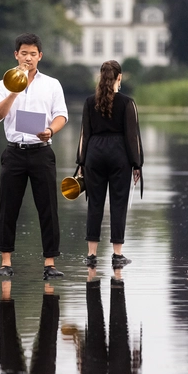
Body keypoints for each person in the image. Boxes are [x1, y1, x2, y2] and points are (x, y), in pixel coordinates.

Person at [0, 33, 69, 280]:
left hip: (41, 151)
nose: (28, 58)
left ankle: (50, 262)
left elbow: (61, 115)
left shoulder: (52, 84)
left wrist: (50, 131)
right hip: (14, 152)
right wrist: (14, 89)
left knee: (48, 208)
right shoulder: (3, 84)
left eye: (33, 54)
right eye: (24, 53)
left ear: (40, 56)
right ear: (16, 55)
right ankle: (5, 262)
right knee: (8, 208)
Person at [76, 60, 143, 269]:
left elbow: (84, 135)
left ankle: (91, 254)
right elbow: (132, 137)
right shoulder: (127, 102)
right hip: (118, 154)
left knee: (94, 203)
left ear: (100, 76)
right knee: (118, 203)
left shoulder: (89, 102)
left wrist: (80, 163)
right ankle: (117, 254)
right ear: (119, 77)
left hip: (94, 153)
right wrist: (137, 163)